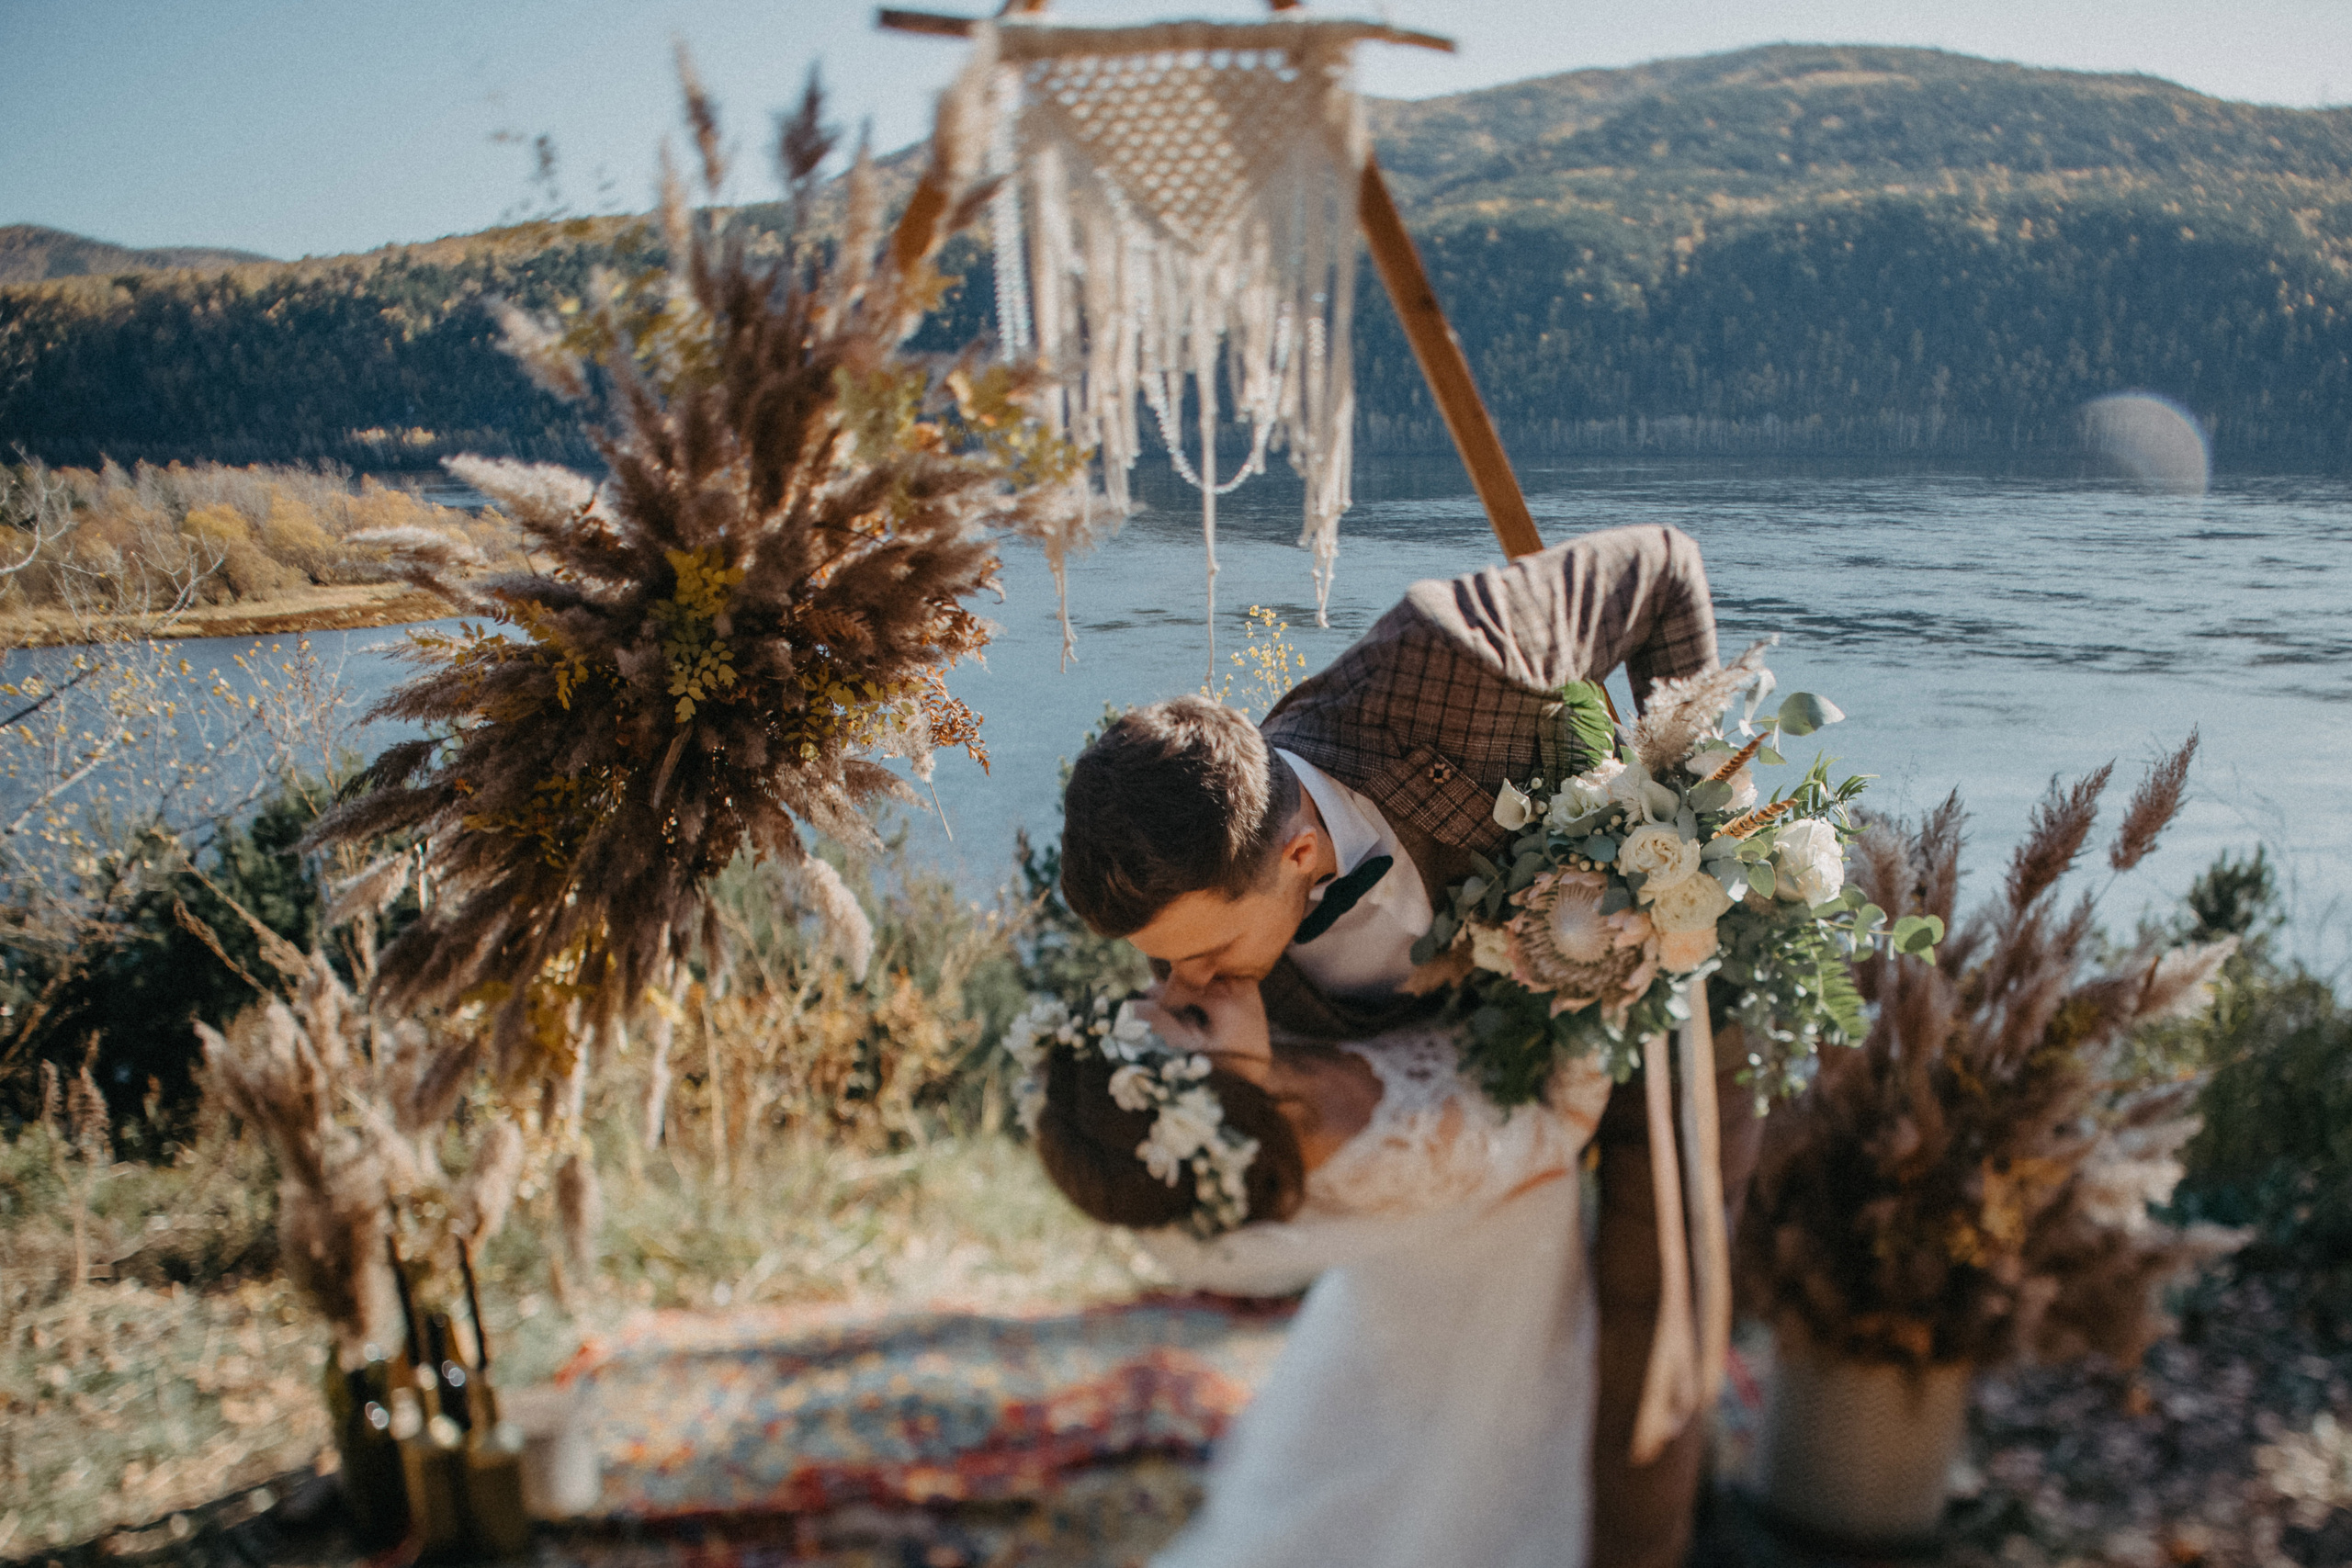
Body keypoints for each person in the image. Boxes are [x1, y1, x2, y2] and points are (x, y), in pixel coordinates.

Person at [1057, 525, 1762, 1568]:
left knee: (1659, 1314)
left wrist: (1696, 818)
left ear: (1298, 852)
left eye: (1198, 954)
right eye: (1165, 968)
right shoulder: (1223, 992)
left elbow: (1664, 567)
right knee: (1480, 1364)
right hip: (1499, 1107)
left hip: (1672, 999)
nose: (1182, 989)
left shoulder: (1445, 658)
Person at [1023, 979, 1613, 1568]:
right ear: (1218, 1102)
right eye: (1197, 1017)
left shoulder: (1263, 1041)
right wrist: (1597, 993)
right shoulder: (1372, 1151)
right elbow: (1558, 1139)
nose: (1184, 979)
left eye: (1146, 993)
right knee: (1456, 1478)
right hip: (1497, 1272)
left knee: (1369, 1446)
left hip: (1407, 1281)